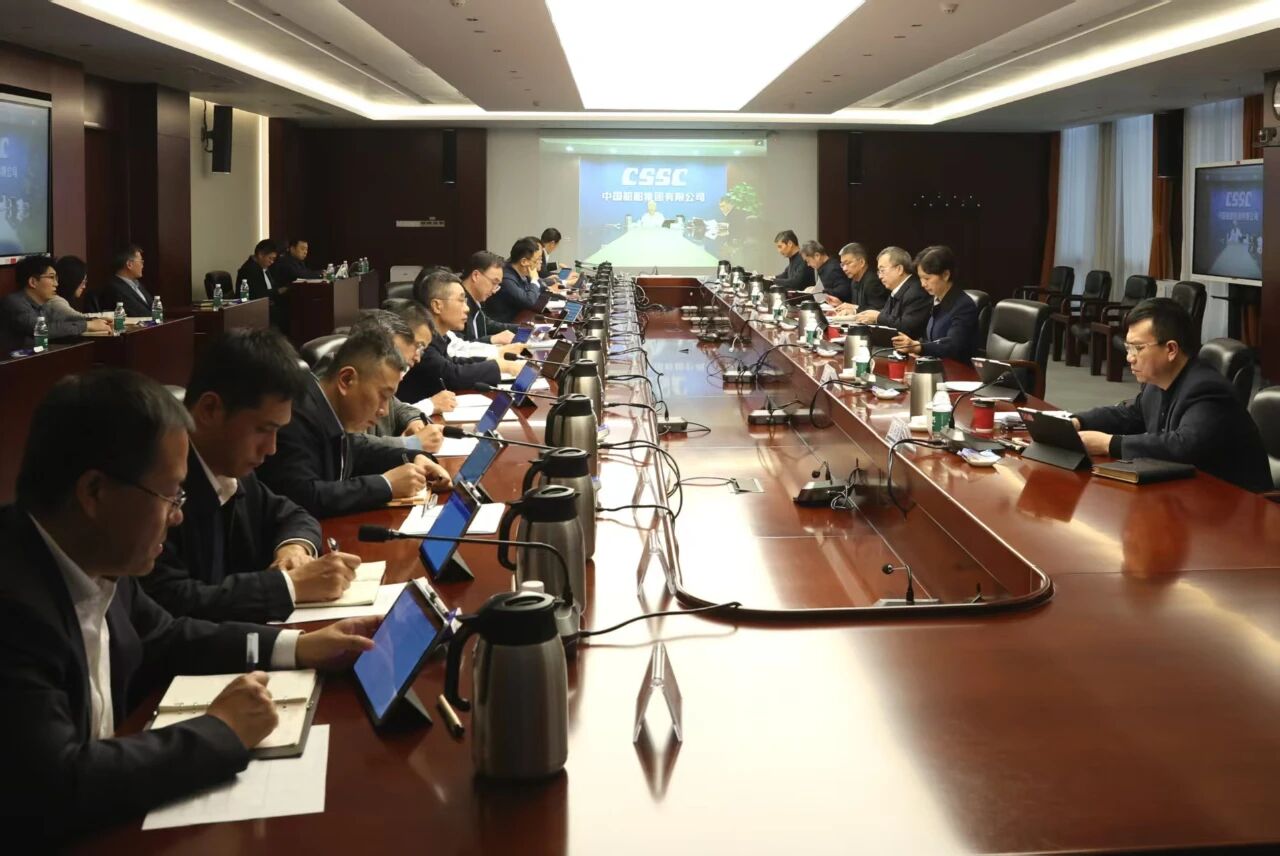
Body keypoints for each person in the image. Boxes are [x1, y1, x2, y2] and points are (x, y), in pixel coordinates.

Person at [0, 368, 378, 845]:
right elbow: (58, 785)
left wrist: (299, 647)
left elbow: (168, 636)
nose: (178, 515)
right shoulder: (14, 605)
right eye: (169, 495)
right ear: (94, 492)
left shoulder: (98, 560)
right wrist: (221, 731)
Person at [142, 330, 364, 622]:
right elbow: (173, 600)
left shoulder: (232, 469)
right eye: (262, 430)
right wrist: (289, 587)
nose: (271, 448)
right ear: (210, 409)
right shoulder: (158, 487)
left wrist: (293, 549)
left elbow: (293, 514)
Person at [1072, 298, 1271, 492]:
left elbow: (1184, 445)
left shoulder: (1207, 389)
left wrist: (1108, 444)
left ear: (1171, 349)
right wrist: (1077, 421)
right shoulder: (1156, 382)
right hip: (1186, 491)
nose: (1129, 358)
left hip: (1234, 501)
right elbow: (1130, 415)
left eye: (1138, 348)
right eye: (1128, 347)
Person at [256, 329, 452, 517]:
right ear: (346, 379)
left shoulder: (327, 409)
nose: (384, 411)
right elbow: (303, 497)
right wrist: (386, 485)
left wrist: (413, 458)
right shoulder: (294, 416)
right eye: (382, 396)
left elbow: (355, 451)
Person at [403, 270, 526, 401]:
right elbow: (451, 375)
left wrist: (497, 362)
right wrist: (500, 366)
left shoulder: (439, 337)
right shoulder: (421, 341)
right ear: (437, 306)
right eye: (461, 300)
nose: (467, 308)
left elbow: (453, 363)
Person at [346, 310, 444, 453]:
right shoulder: (342, 378)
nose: (416, 358)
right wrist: (409, 444)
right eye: (396, 355)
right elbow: (349, 446)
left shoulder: (377, 378)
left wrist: (414, 421)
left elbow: (399, 408)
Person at [891, 246, 979, 363]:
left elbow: (953, 345)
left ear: (946, 275)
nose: (923, 284)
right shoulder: (936, 299)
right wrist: (915, 346)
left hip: (959, 369)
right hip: (937, 366)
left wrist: (919, 347)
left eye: (927, 278)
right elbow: (930, 338)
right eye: (921, 278)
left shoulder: (964, 306)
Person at [1, 255, 108, 350]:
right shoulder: (14, 303)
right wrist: (87, 325)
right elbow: (43, 330)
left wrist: (95, 322)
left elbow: (60, 325)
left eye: (56, 278)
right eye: (51, 277)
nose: (56, 284)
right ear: (33, 282)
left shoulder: (42, 305)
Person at [853, 246, 930, 340]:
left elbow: (908, 328)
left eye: (882, 270)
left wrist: (878, 317)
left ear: (899, 269)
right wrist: (871, 317)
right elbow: (888, 316)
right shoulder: (898, 288)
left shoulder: (916, 291)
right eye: (879, 272)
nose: (880, 276)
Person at [461, 250, 519, 348]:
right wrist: (492, 339)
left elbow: (485, 324)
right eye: (494, 282)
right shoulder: (457, 304)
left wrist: (523, 328)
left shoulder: (476, 299)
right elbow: (456, 348)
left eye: (498, 285)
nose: (494, 290)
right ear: (475, 275)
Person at [485, 237, 545, 323]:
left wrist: (535, 281)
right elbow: (529, 301)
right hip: (503, 325)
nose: (539, 263)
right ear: (524, 262)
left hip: (519, 320)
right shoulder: (506, 278)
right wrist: (534, 280)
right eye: (537, 260)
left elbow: (540, 288)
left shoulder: (522, 273)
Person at [235, 239, 286, 329]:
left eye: (273, 259)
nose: (272, 262)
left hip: (264, 305)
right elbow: (258, 295)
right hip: (253, 309)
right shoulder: (249, 270)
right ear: (260, 255)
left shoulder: (262, 267)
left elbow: (271, 286)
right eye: (270, 258)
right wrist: (278, 291)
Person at [826, 242, 888, 312]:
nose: (844, 269)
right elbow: (858, 307)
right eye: (842, 264)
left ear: (862, 262)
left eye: (848, 263)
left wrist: (854, 308)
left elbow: (878, 311)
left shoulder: (872, 281)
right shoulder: (854, 280)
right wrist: (840, 305)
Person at [105, 244, 153, 317]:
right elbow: (138, 313)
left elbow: (155, 308)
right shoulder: (115, 288)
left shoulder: (138, 285)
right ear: (129, 264)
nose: (142, 266)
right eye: (141, 262)